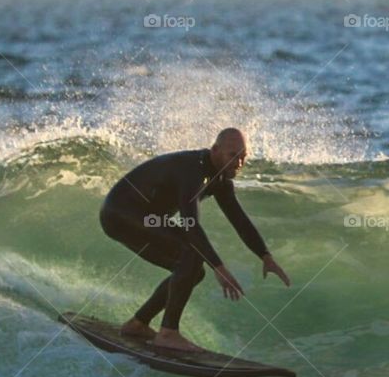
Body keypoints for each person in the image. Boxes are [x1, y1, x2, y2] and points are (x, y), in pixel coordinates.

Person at [98, 127, 290, 352]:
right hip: (121, 212)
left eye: (243, 157)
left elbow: (239, 220)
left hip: (143, 217)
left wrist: (265, 256)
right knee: (190, 254)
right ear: (215, 150)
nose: (239, 163)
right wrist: (219, 268)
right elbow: (191, 225)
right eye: (233, 156)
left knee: (193, 271)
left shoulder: (221, 178)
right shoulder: (193, 172)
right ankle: (168, 333)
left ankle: (138, 324)